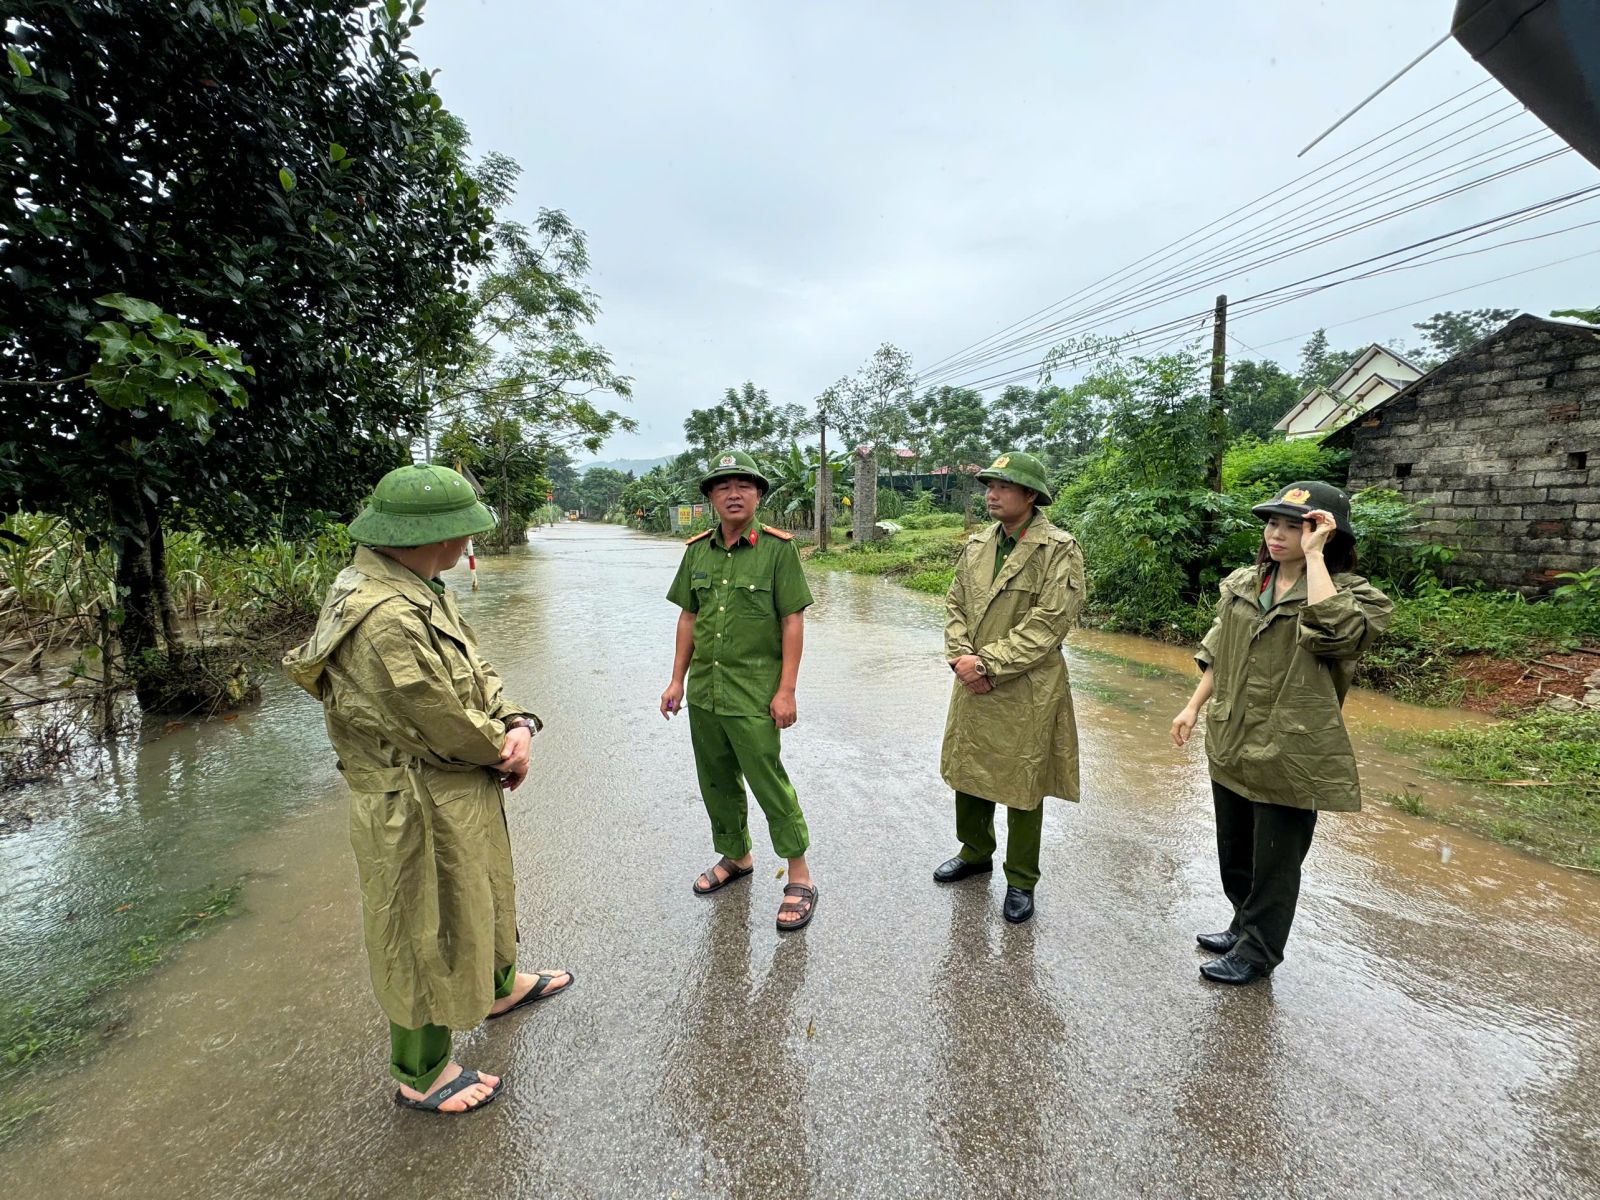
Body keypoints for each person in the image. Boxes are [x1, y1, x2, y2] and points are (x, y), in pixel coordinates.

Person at [283, 463, 573, 1115]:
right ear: (435, 536)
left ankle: (499, 987)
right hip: (415, 800)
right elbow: (432, 718)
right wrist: (503, 746)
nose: (468, 543)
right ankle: (421, 1071)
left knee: (484, 892)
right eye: (462, 532)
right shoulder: (381, 615)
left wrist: (515, 720)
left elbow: (473, 664)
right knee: (420, 928)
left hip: (459, 784)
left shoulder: (417, 583)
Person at [1171, 480, 1392, 985]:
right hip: (1232, 734)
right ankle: (1242, 924)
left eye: (1296, 527)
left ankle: (1259, 952)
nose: (1278, 534)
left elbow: (1335, 637)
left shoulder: (1357, 598)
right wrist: (1190, 708)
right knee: (1237, 849)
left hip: (1292, 748)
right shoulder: (1245, 584)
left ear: (1324, 536)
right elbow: (1219, 654)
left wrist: (1314, 560)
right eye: (1273, 523)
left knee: (1275, 859)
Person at [660, 449, 819, 932]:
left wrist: (786, 690)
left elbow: (792, 620)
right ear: (710, 497)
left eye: (744, 486)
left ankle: (800, 875)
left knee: (767, 779)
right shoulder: (695, 552)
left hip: (754, 692)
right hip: (706, 693)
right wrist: (676, 680)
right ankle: (737, 855)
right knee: (716, 779)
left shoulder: (778, 549)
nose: (734, 493)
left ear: (758, 496)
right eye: (723, 486)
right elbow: (689, 616)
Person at [935, 451, 1084, 925]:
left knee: (1024, 782)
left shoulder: (1058, 548)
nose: (992, 495)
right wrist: (961, 658)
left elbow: (1049, 624)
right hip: (972, 675)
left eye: (1003, 487)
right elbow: (955, 602)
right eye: (989, 486)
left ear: (1031, 495)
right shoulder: (978, 543)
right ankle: (975, 851)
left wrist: (988, 664)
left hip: (1027, 686)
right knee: (969, 768)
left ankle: (1021, 878)